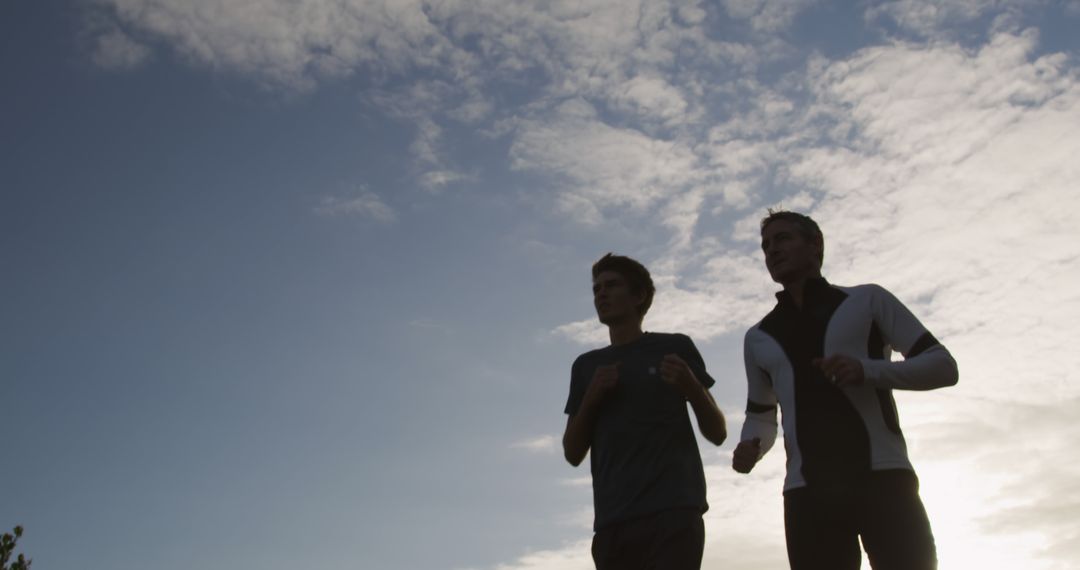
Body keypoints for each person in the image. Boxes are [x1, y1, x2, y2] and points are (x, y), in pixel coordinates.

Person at [732, 210, 958, 570]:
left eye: (783, 238)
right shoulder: (757, 337)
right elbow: (760, 415)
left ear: (815, 245)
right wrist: (751, 447)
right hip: (807, 493)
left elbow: (943, 367)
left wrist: (866, 370)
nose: (772, 250)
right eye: (766, 245)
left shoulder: (867, 300)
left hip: (883, 479)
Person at [563, 253, 727, 570]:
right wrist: (593, 397)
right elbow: (572, 452)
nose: (601, 294)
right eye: (596, 289)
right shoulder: (586, 367)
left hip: (674, 513)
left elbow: (717, 432)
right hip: (613, 523)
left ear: (638, 295)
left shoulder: (675, 347)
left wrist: (691, 386)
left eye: (611, 286)